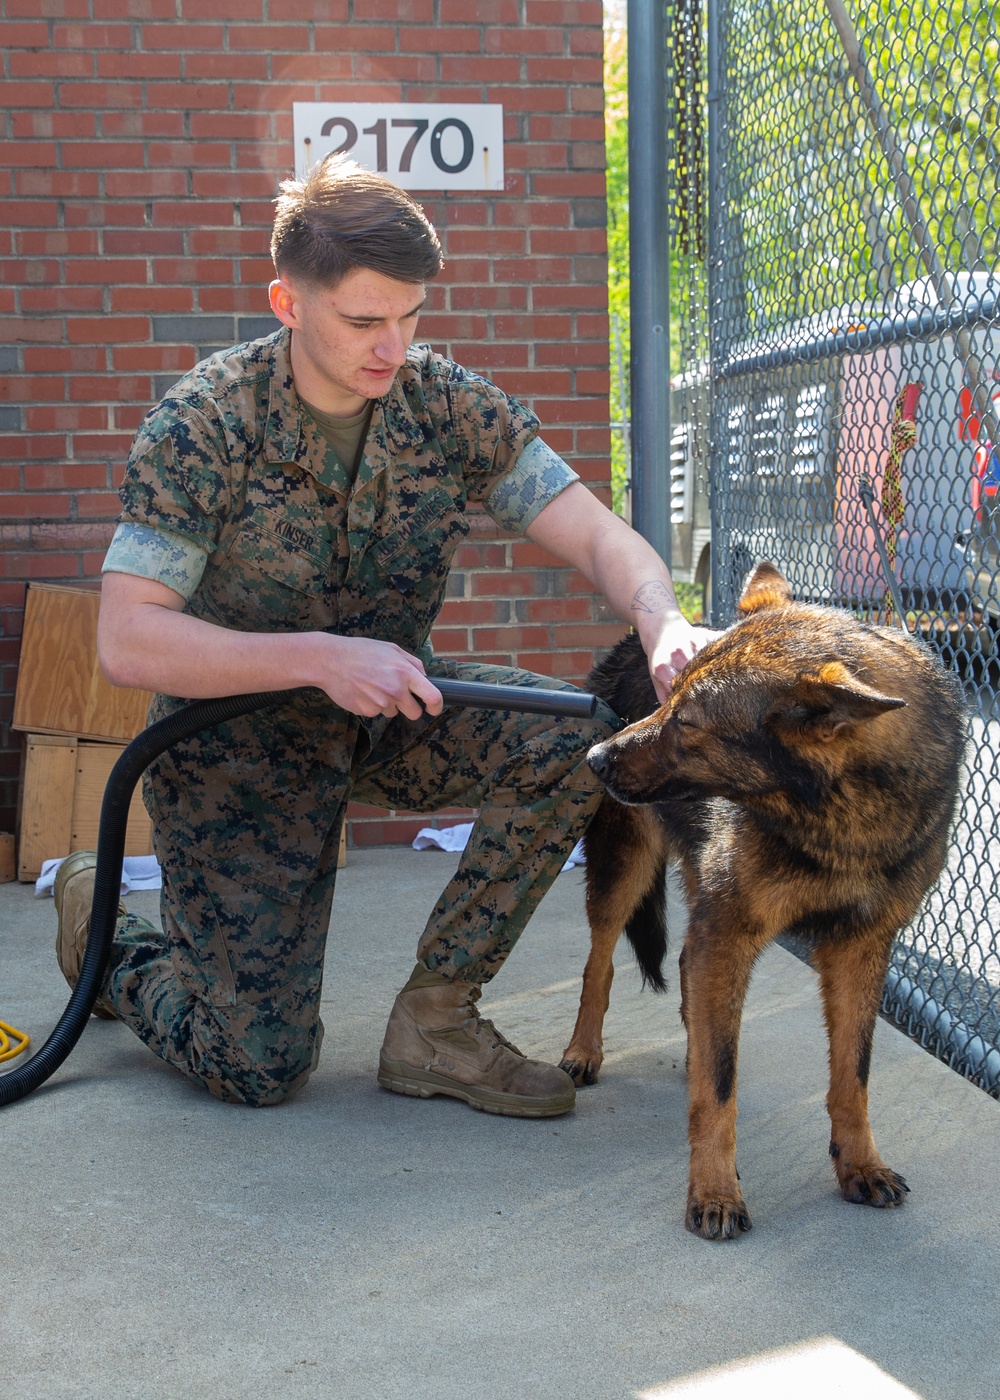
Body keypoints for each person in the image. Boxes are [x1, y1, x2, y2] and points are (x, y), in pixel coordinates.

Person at [53, 155, 706, 1117]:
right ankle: (109, 944)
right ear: (287, 302)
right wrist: (319, 657)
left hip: (389, 713)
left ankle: (437, 1024)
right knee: (258, 1066)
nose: (392, 348)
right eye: (364, 321)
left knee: (580, 741)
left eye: (409, 317)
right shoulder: (203, 426)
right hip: (233, 752)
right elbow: (129, 640)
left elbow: (598, 535)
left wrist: (661, 614)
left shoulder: (443, 404)